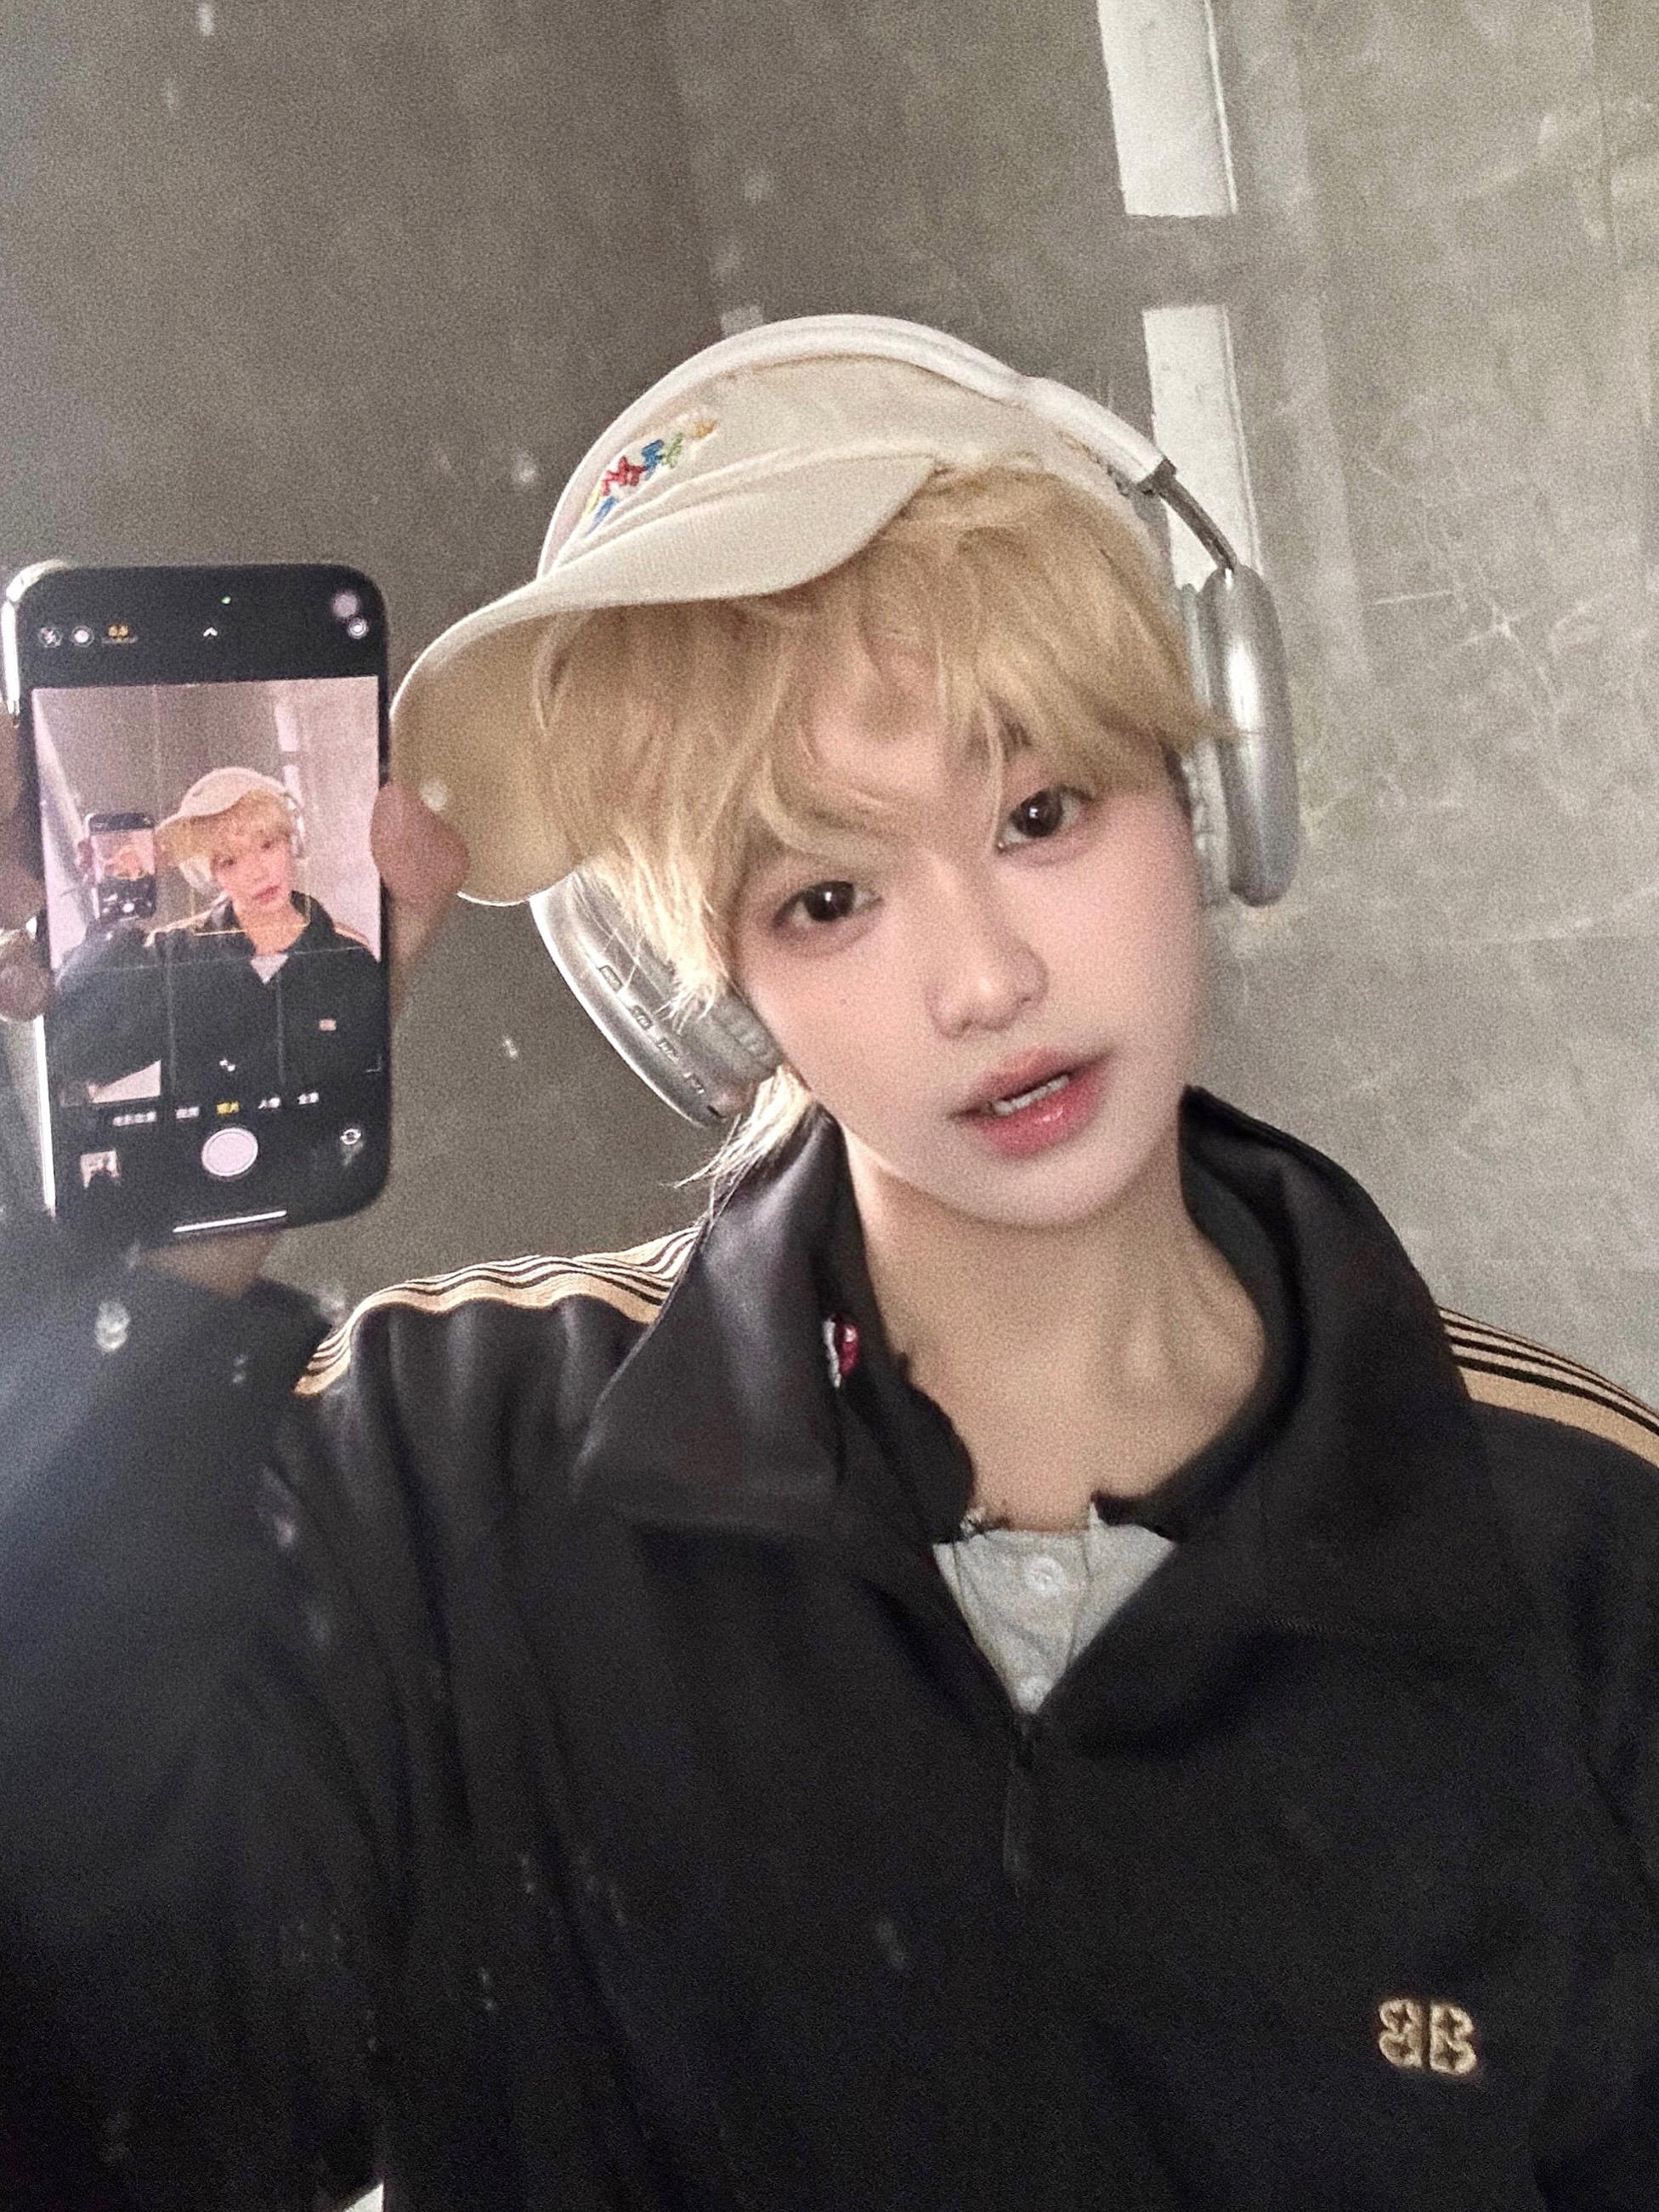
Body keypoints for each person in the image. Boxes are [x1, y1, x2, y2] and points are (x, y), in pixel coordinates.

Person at [1, 317, 1657, 2211]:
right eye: (829, 895)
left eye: (1039, 812)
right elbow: (113, 2102)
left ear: (1208, 787)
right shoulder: (443, 1472)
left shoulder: (1579, 1541)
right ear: (713, 984)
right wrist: (141, 1288)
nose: (985, 980)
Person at [50, 765, 382, 1102]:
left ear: (290, 841)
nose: (257, 872)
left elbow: (376, 1096)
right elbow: (73, 1052)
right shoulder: (177, 957)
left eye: (267, 845)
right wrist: (113, 920)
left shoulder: (350, 962)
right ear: (210, 873)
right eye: (230, 861)